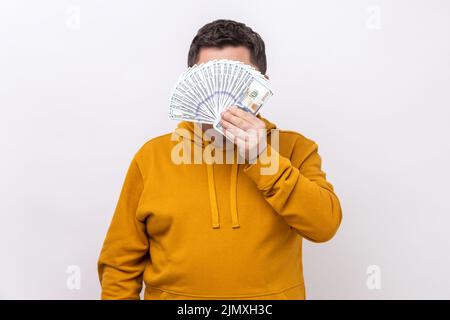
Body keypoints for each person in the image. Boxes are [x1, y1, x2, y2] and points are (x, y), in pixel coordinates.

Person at [98, 19, 342, 300]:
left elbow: (324, 226)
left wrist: (262, 158)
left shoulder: (295, 148)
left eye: (236, 77)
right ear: (191, 83)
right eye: (208, 77)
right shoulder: (151, 157)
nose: (221, 91)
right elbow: (119, 264)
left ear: (261, 86)